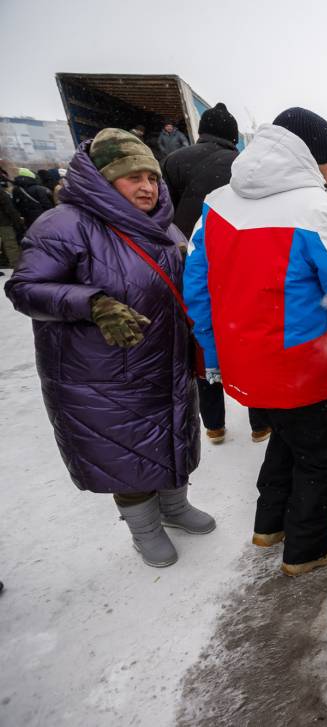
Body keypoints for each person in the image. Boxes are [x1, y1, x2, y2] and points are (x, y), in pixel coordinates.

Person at [5, 129, 210, 568]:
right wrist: (91, 303)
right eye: (131, 177)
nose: (146, 187)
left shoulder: (165, 226)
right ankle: (144, 529)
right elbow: (24, 288)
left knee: (173, 433)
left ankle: (174, 507)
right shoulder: (64, 225)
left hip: (163, 359)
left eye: (151, 178)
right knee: (126, 450)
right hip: (101, 370)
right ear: (102, 179)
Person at [184, 107, 327, 576]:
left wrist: (213, 353)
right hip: (300, 368)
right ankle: (308, 547)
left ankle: (270, 525)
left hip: (242, 362)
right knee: (321, 457)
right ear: (313, 157)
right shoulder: (317, 210)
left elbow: (197, 288)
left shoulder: (217, 202)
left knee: (286, 441)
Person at [162, 103, 271, 444]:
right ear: (232, 136)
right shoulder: (241, 164)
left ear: (201, 131)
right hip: (237, 262)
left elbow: (166, 212)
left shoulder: (175, 161)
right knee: (248, 339)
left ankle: (214, 424)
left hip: (191, 259)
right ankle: (260, 421)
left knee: (202, 339)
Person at [0, 170, 23, 267]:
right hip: (3, 222)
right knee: (10, 244)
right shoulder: (2, 193)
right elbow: (9, 208)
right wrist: (18, 221)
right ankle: (16, 265)